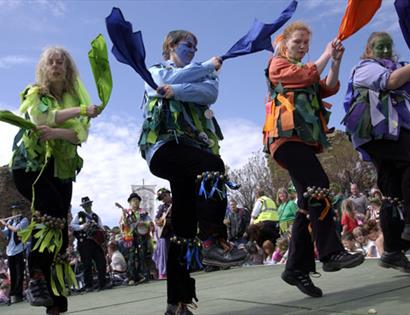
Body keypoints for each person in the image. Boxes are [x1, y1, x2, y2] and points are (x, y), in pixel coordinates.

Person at [139, 30, 247, 314]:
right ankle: (212, 239)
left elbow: (209, 93)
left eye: (196, 47)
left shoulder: (202, 74)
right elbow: (160, 83)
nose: (193, 50)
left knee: (182, 231)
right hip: (164, 148)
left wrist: (176, 91)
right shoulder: (157, 69)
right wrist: (206, 68)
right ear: (171, 46)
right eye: (188, 45)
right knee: (212, 165)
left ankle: (177, 303)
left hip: (191, 152)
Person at [263, 21, 364, 298]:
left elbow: (327, 87)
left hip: (303, 141)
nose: (303, 47)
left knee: (308, 202)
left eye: (306, 43)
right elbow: (307, 75)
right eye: (298, 42)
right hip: (285, 140)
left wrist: (336, 62)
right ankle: (331, 252)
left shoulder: (305, 70)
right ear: (285, 43)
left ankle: (295, 268)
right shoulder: (278, 65)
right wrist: (325, 54)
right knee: (318, 182)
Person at [10, 47, 99, 315]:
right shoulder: (35, 92)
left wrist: (60, 131)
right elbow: (41, 119)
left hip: (61, 169)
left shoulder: (72, 95)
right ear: (44, 68)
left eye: (61, 62)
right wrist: (80, 111)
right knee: (50, 215)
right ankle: (35, 275)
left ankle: (56, 304)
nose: (57, 65)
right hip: (31, 167)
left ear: (68, 69)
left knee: (59, 235)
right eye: (51, 61)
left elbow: (80, 134)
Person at [342, 31, 410, 272]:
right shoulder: (365, 68)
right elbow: (390, 82)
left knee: (392, 192)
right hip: (376, 133)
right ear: (369, 50)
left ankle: (392, 250)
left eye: (388, 46)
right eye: (378, 46)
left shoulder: (400, 68)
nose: (384, 50)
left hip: (395, 133)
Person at [71, 196, 110, 292]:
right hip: (84, 243)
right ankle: (89, 285)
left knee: (101, 262)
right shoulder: (79, 215)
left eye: (88, 204)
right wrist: (83, 226)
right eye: (85, 205)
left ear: (91, 204)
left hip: (95, 242)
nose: (87, 206)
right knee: (86, 264)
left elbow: (101, 227)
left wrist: (101, 232)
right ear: (83, 207)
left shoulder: (95, 216)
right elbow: (72, 226)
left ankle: (102, 283)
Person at [119, 192, 153, 285]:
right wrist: (125, 217)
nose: (135, 202)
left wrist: (144, 224)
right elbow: (124, 225)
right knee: (131, 256)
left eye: (137, 201)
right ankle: (131, 277)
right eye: (133, 201)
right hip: (131, 236)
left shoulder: (143, 212)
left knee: (142, 254)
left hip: (142, 235)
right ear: (130, 203)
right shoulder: (127, 212)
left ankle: (143, 275)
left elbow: (150, 223)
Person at [0, 204, 28, 304]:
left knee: (20, 273)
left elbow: (16, 229)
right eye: (13, 210)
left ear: (19, 210)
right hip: (10, 250)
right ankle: (13, 294)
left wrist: (6, 224)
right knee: (13, 273)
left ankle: (18, 294)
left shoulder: (24, 220)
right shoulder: (10, 221)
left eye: (16, 210)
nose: (14, 212)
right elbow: (6, 233)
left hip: (20, 249)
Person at [153, 188, 173, 280]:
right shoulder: (162, 207)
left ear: (169, 194)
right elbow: (156, 219)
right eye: (161, 198)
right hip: (166, 233)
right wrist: (159, 222)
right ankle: (166, 272)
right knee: (166, 252)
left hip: (176, 230)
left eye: (165, 196)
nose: (164, 198)